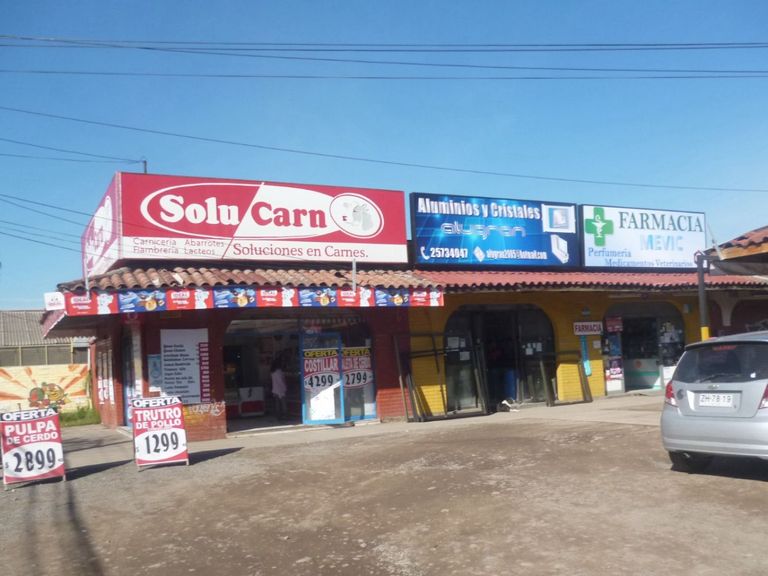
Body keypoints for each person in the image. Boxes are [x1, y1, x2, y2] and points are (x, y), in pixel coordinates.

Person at [270, 355, 288, 420]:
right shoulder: (280, 372)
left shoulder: (272, 372)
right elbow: (282, 381)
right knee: (283, 403)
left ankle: (278, 416)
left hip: (275, 389)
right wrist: (285, 388)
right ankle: (285, 415)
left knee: (277, 404)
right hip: (281, 389)